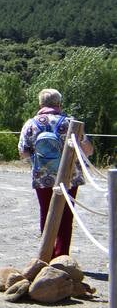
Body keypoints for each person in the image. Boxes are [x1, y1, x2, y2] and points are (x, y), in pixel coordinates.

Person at [18, 88, 94, 259]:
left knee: (46, 212)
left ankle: (47, 255)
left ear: (40, 104)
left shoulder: (30, 124)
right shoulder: (70, 123)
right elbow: (87, 151)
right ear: (59, 104)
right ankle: (62, 257)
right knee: (66, 216)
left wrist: (39, 160)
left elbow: (22, 152)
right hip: (69, 176)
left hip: (42, 176)